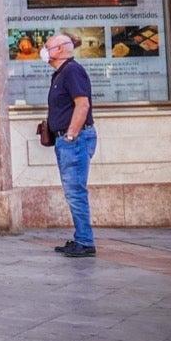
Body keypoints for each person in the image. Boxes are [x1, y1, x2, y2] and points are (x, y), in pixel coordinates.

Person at [44, 33, 97, 257]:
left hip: (74, 140)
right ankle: (81, 238)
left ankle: (85, 242)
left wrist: (71, 135)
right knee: (73, 191)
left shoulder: (72, 71)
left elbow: (82, 105)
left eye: (47, 47)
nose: (44, 51)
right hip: (67, 139)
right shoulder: (61, 74)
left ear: (60, 49)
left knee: (75, 192)